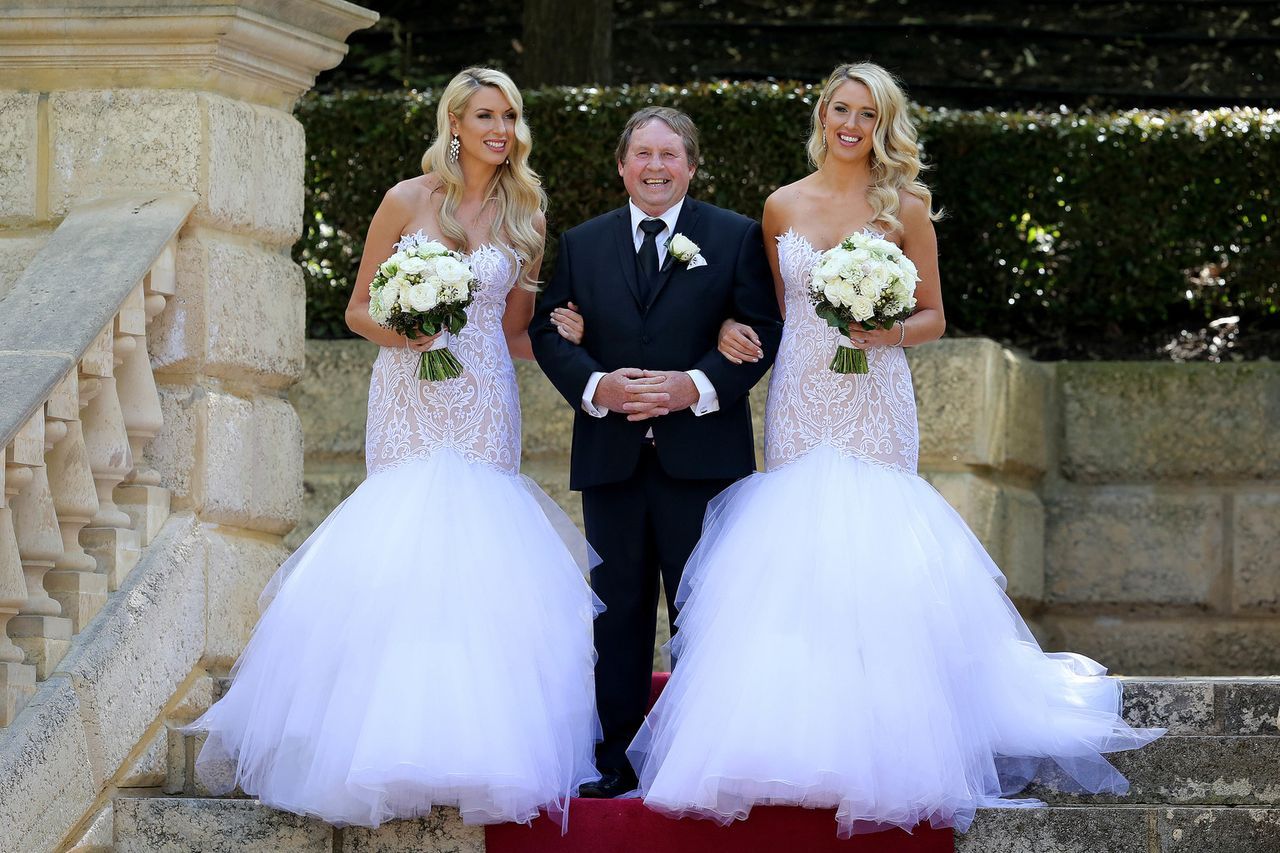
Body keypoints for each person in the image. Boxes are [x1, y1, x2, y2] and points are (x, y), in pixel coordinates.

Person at [627, 63, 1165, 837]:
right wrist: (722, 331)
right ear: (822, 113)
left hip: (876, 399)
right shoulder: (780, 205)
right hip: (803, 399)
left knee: (872, 548)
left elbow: (935, 316)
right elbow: (768, 314)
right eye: (842, 109)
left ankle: (887, 745)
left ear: (885, 125)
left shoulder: (905, 207)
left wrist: (888, 330)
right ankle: (796, 738)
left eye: (869, 115)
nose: (853, 124)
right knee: (800, 551)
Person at [186, 67, 601, 830]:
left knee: (478, 554)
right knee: (405, 542)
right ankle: (377, 745)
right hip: (409, 393)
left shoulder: (526, 217)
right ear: (454, 123)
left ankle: (472, 745)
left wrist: (576, 342)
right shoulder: (405, 201)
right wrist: (408, 328)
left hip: (482, 400)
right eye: (485, 115)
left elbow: (512, 332)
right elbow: (355, 309)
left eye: (510, 114)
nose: (501, 129)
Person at [530, 106, 783, 798]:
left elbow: (762, 328)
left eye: (670, 154)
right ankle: (614, 759)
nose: (655, 166)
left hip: (702, 457)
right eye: (642, 153)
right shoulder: (583, 244)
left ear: (692, 166)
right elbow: (549, 329)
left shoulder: (732, 238)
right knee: (616, 612)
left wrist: (692, 387)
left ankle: (697, 759)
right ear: (621, 164)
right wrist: (597, 385)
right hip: (611, 457)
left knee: (702, 610)